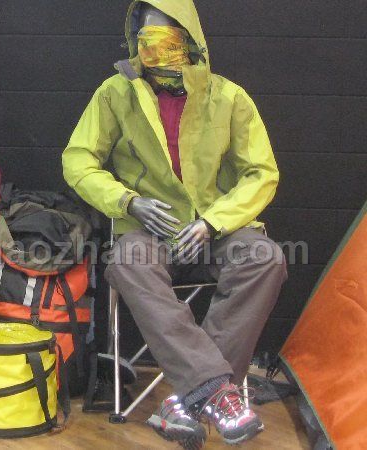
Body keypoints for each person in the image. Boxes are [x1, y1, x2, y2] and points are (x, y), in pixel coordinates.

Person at [63, 0, 287, 447]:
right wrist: (128, 202)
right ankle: (214, 391)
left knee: (265, 258)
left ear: (189, 37)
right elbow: (78, 160)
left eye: (166, 37)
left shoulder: (228, 97)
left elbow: (261, 172)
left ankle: (189, 399)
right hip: (150, 227)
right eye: (145, 38)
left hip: (213, 226)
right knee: (127, 262)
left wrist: (214, 221)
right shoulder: (116, 93)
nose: (154, 49)